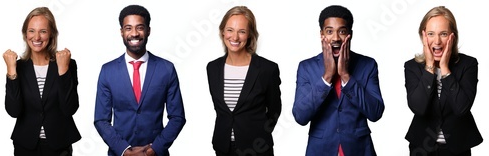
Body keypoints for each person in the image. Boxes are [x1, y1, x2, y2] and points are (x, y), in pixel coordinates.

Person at [292, 5, 384, 156]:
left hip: (359, 149)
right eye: (329, 31)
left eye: (342, 31)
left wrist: (346, 76)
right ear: (321, 34)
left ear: (350, 34)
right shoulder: (306, 67)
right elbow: (300, 116)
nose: (335, 38)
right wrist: (327, 77)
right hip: (321, 149)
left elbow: (375, 113)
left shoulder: (368, 65)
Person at [95, 5, 186, 156]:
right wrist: (124, 151)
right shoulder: (107, 71)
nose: (134, 34)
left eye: (140, 27)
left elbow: (177, 117)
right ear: (122, 32)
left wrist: (154, 149)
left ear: (148, 30)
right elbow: (101, 120)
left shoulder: (166, 69)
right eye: (128, 28)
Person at [404, 6, 481, 156]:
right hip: (422, 147)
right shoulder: (412, 66)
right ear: (423, 36)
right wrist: (430, 67)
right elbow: (418, 108)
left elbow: (461, 108)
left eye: (443, 34)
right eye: (431, 34)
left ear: (453, 36)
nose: (437, 41)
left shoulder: (468, 64)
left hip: (457, 147)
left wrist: (445, 68)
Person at [2, 7, 79, 156]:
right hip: (26, 146)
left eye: (43, 31)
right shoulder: (18, 67)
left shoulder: (67, 64)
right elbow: (13, 111)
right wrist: (11, 71)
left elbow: (70, 109)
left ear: (51, 35)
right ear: (25, 34)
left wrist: (63, 71)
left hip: (59, 147)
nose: (36, 37)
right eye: (31, 31)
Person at [205, 6, 280, 156]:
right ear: (222, 32)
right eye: (230, 30)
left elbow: (274, 110)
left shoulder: (267, 69)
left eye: (242, 31)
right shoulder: (212, 68)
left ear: (250, 35)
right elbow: (221, 110)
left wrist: (259, 134)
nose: (235, 37)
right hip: (223, 147)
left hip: (257, 149)